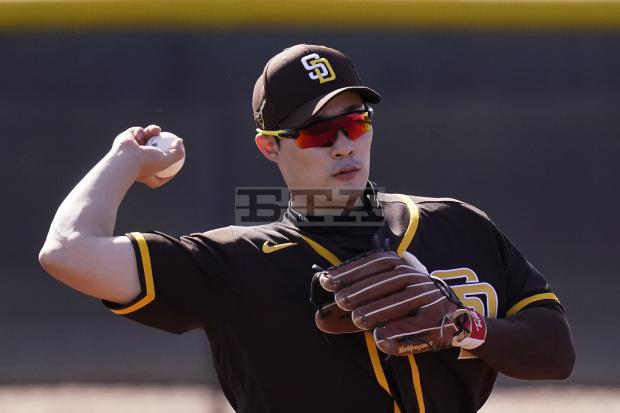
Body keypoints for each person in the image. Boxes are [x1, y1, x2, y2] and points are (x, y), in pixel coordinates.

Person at [39, 44, 575, 413]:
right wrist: (123, 160)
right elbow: (67, 251)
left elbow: (556, 352)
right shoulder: (234, 263)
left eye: (355, 122)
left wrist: (467, 328)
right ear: (269, 146)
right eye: (318, 133)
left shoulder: (457, 224)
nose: (343, 144)